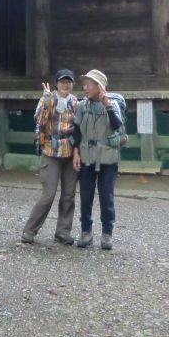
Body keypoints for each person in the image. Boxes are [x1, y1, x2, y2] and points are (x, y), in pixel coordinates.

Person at [21, 69, 79, 245]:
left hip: (69, 152)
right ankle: (29, 230)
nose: (65, 84)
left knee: (69, 195)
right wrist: (46, 101)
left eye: (69, 81)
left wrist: (78, 151)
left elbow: (79, 128)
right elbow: (39, 121)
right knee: (48, 194)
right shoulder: (47, 99)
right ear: (56, 83)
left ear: (72, 84)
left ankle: (63, 231)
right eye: (62, 81)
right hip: (50, 152)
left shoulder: (76, 102)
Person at [71, 69, 122, 250]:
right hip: (86, 155)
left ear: (99, 86)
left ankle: (107, 233)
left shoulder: (113, 104)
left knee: (107, 196)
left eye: (88, 85)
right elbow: (76, 130)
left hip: (107, 157)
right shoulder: (83, 106)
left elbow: (117, 126)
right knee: (86, 195)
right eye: (84, 84)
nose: (85, 88)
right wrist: (75, 152)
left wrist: (107, 105)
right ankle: (86, 231)